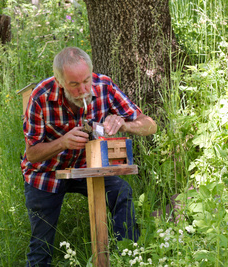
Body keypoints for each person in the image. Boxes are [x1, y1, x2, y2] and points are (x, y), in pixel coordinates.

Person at [21, 47, 157, 266]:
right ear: (59, 80)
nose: (83, 90)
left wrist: (124, 124)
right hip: (46, 173)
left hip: (87, 167)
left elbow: (150, 125)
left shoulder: (104, 86)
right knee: (41, 246)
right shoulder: (41, 96)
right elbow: (32, 153)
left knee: (122, 192)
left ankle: (129, 257)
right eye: (74, 84)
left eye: (86, 81)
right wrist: (63, 142)